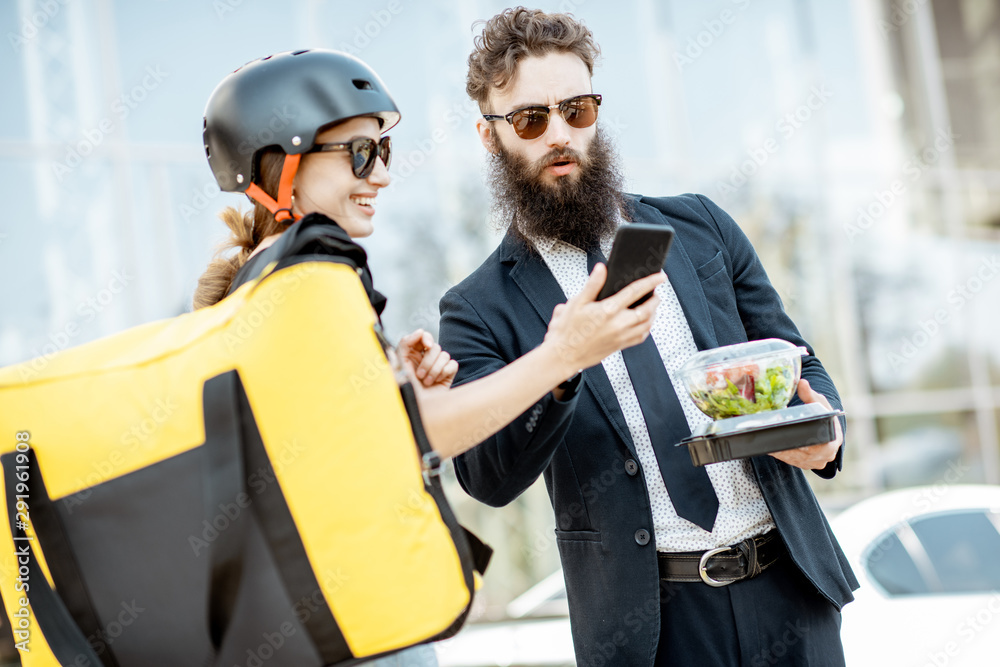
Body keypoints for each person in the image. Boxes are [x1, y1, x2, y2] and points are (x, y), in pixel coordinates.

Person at [196, 48, 664, 665]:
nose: (381, 175)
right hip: (357, 627)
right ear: (278, 164)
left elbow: (359, 444)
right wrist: (564, 353)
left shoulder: (260, 281)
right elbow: (423, 436)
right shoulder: (309, 278)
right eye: (360, 153)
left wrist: (402, 392)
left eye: (381, 152)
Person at [437, 8, 860, 666]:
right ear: (491, 137)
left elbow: (801, 364)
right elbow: (487, 479)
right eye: (530, 119)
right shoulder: (478, 308)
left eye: (576, 110)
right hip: (655, 631)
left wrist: (823, 434)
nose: (560, 135)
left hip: (790, 594)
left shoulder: (701, 230)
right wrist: (562, 363)